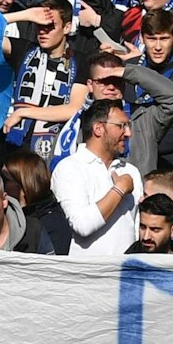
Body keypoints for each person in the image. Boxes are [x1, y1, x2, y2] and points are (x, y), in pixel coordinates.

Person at [51, 98, 140, 256]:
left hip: (127, 275)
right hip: (88, 276)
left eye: (128, 125)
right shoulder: (70, 167)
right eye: (121, 126)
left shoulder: (131, 171)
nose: (128, 133)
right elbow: (82, 225)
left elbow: (136, 228)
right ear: (98, 128)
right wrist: (119, 189)